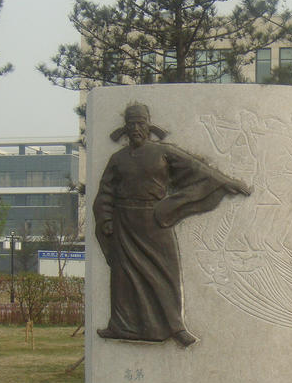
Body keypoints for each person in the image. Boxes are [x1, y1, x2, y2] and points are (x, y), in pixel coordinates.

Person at [93, 103, 250, 346]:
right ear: (125, 128)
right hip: (124, 222)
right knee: (123, 277)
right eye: (131, 124)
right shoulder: (118, 159)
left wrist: (226, 182)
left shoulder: (163, 152)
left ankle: (176, 327)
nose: (136, 129)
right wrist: (105, 219)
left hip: (154, 220)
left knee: (165, 273)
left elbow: (198, 169)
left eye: (140, 123)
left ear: (148, 126)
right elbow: (105, 192)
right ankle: (121, 326)